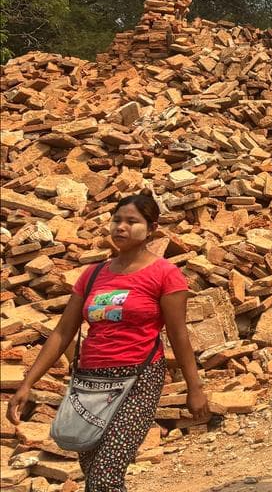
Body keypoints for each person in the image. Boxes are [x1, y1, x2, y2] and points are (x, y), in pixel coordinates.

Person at [6, 193, 209, 492]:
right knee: (92, 471)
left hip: (138, 379)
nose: (121, 228)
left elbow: (179, 336)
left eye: (132, 222)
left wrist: (195, 389)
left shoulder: (165, 274)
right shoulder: (93, 274)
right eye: (116, 220)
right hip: (89, 382)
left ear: (151, 229)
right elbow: (63, 332)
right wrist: (27, 384)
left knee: (105, 476)